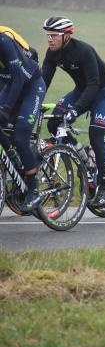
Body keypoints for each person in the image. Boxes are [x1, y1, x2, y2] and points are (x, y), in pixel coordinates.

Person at [41, 16, 105, 205]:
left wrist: (76, 109)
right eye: (48, 35)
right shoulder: (52, 53)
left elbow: (94, 84)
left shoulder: (84, 51)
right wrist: (33, 103)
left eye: (54, 35)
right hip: (81, 90)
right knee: (54, 122)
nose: (50, 39)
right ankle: (82, 153)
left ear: (66, 36)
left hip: (102, 91)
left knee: (96, 135)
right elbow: (43, 83)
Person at [0, 26, 46, 210]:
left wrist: (6, 108)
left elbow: (18, 78)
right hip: (9, 85)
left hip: (31, 86)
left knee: (20, 137)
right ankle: (14, 160)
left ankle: (33, 190)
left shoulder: (3, 41)